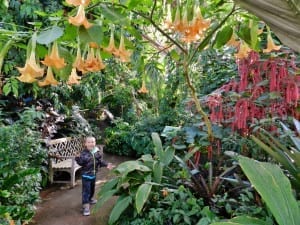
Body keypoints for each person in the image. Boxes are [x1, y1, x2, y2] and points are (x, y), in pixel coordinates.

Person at [75, 136, 114, 216]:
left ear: (95, 143)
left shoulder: (96, 152)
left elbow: (100, 161)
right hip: (86, 175)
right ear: (85, 144)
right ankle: (85, 206)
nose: (91, 143)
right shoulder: (83, 153)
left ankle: (90, 199)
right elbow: (81, 163)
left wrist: (106, 165)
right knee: (86, 191)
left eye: (93, 142)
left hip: (93, 174)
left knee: (92, 189)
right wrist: (77, 158)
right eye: (89, 142)